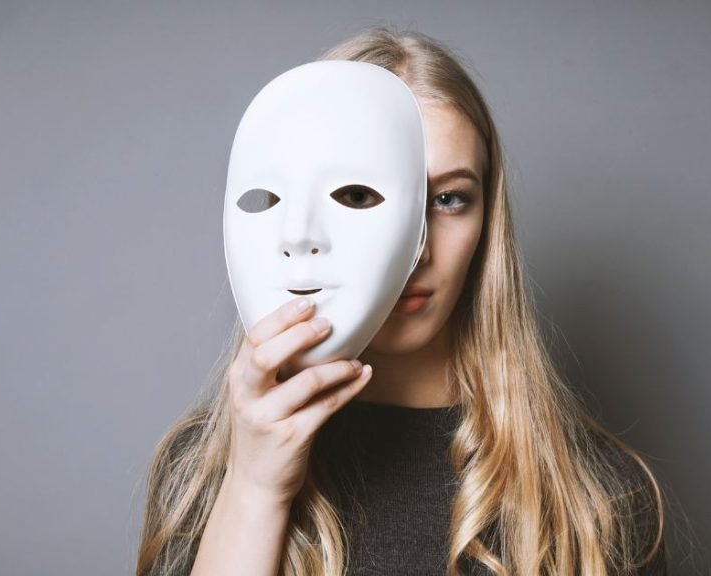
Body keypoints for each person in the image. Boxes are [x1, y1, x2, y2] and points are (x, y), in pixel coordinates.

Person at [136, 26, 667, 576]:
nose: (416, 250)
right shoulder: (201, 473)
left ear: (487, 221)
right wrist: (254, 490)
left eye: (448, 199)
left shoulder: (597, 499)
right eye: (359, 195)